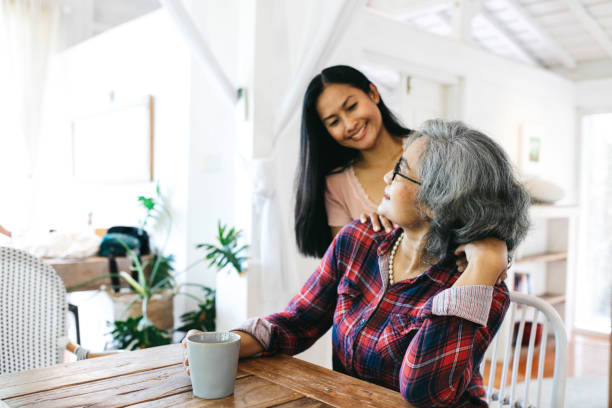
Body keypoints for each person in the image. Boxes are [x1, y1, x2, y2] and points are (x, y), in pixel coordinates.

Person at [184, 119, 531, 407]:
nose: (386, 178)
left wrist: (483, 268)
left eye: (400, 171)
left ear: (437, 203)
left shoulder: (478, 288)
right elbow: (298, 322)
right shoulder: (357, 241)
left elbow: (423, 390)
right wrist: (230, 342)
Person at [295, 65, 413, 258]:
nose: (349, 125)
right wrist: (362, 233)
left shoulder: (429, 149)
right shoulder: (336, 186)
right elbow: (346, 268)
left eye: (352, 107)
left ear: (373, 93)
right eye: (334, 122)